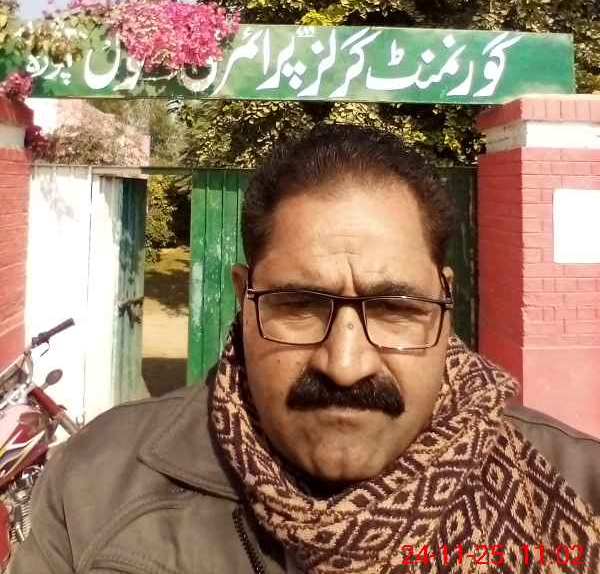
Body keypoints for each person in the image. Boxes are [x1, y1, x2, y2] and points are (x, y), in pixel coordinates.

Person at [11, 124, 600, 573]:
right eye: (298, 305)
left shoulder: (582, 487)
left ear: (444, 301)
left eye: (394, 308)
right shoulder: (97, 483)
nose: (345, 365)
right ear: (244, 299)